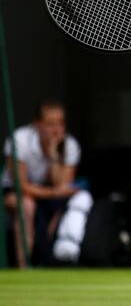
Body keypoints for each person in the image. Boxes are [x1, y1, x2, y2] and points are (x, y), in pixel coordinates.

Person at [2, 99, 80, 267]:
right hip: (15, 193)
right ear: (37, 124)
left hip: (48, 195)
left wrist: (53, 154)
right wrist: (53, 193)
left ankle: (51, 260)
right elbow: (21, 186)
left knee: (70, 205)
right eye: (50, 124)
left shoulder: (70, 144)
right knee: (27, 205)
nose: (56, 129)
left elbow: (62, 186)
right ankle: (24, 265)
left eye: (60, 123)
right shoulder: (19, 141)